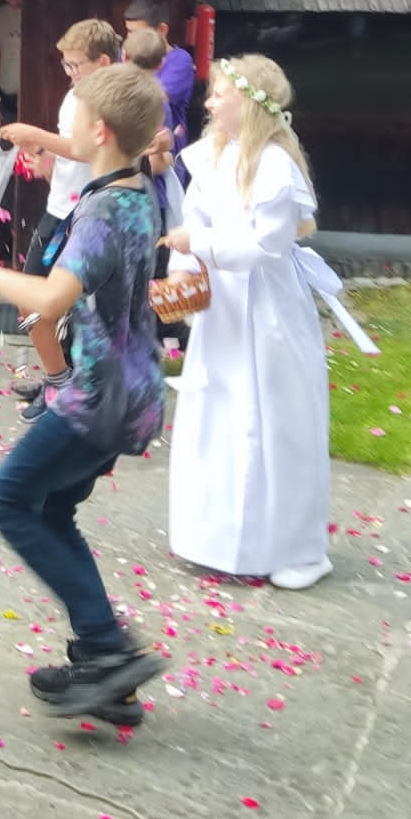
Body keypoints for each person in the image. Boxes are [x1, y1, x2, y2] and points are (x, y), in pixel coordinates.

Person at [0, 64, 169, 722]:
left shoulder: (100, 212)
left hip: (94, 397)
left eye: (71, 119)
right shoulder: (135, 183)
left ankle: (107, 648)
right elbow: (82, 145)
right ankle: (108, 668)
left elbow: (50, 297)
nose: (62, 132)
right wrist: (35, 136)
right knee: (52, 512)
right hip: (135, 390)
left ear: (99, 130)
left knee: (8, 499)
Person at [164, 56, 333, 590]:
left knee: (272, 415)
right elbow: (193, 220)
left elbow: (265, 243)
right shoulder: (214, 155)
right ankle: (212, 537)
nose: (209, 104)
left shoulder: (276, 166)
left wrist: (203, 247)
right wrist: (183, 271)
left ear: (249, 103)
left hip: (266, 306)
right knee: (219, 408)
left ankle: (291, 546)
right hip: (222, 308)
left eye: (218, 95)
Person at [0, 19, 120, 411]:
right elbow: (73, 149)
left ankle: (64, 384)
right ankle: (60, 378)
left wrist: (35, 136)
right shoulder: (78, 94)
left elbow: (88, 150)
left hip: (84, 212)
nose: (68, 74)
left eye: (75, 66)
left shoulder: (112, 98)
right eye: (65, 65)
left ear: (102, 62)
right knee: (34, 299)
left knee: (49, 301)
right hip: (61, 204)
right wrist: (49, 158)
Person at [123, 0, 195, 165]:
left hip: (167, 155)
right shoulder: (126, 51)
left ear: (162, 29)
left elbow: (155, 96)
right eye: (128, 31)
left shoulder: (180, 61)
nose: (129, 38)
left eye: (137, 32)